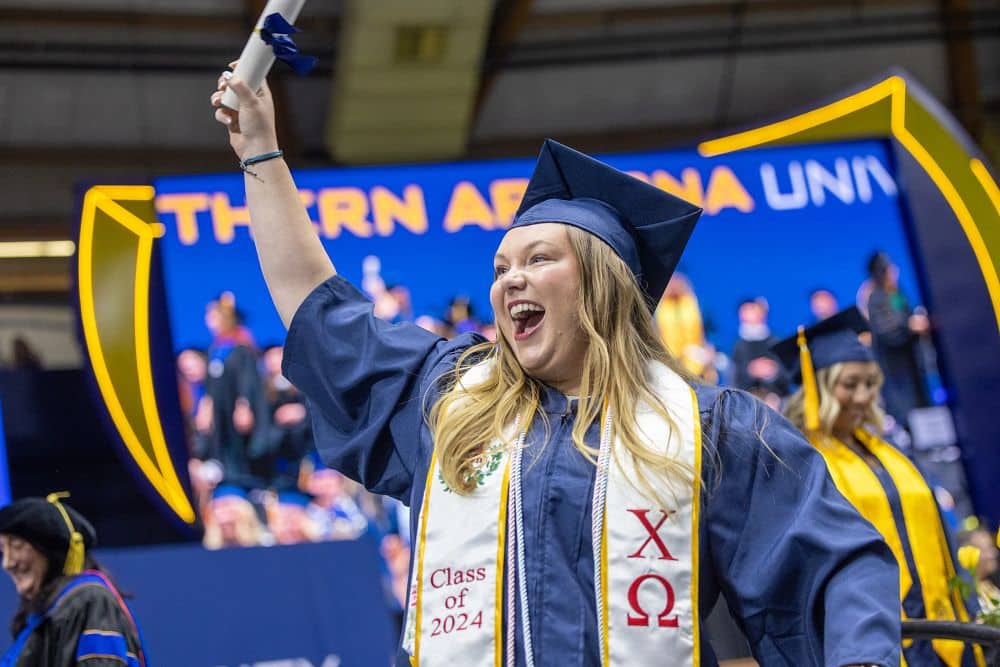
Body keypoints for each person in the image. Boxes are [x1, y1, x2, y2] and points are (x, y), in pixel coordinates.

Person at [212, 71, 901, 666]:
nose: (511, 279)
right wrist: (262, 153)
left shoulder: (710, 428)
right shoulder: (451, 400)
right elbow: (320, 311)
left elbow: (836, 563)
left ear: (604, 283)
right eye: (501, 267)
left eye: (539, 258)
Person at [773, 308, 985, 667]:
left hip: (944, 632)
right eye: (849, 384)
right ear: (819, 387)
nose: (862, 396)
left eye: (870, 383)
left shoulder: (891, 454)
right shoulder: (801, 461)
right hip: (869, 641)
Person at [0, 493, 147, 666]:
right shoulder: (44, 617)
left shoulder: (91, 600)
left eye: (17, 546)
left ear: (49, 550)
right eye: (2, 549)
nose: (7, 563)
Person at [865, 251, 931, 425]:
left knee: (922, 404)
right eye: (889, 269)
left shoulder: (897, 294)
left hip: (911, 362)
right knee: (906, 410)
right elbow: (887, 330)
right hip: (895, 369)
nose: (894, 271)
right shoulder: (876, 298)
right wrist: (909, 325)